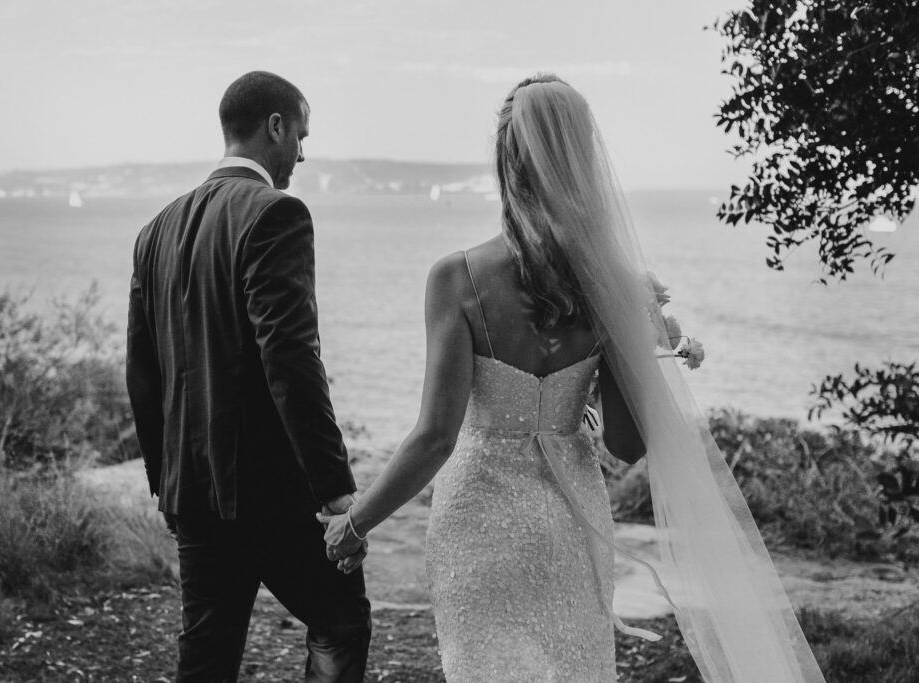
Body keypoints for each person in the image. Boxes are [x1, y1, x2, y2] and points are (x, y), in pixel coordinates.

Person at [319, 75, 826, 682]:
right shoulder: (611, 286)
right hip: (571, 526)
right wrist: (642, 341)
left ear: (507, 163)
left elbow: (434, 438)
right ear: (584, 162)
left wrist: (354, 524)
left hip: (477, 528)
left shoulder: (456, 278)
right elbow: (627, 444)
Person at [127, 70, 371, 682]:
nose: (302, 153)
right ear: (275, 127)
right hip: (270, 494)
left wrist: (166, 483)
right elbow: (291, 362)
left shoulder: (154, 230)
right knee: (342, 623)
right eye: (301, 136)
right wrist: (337, 493)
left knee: (207, 659)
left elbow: (142, 373)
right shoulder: (277, 214)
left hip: (192, 492)